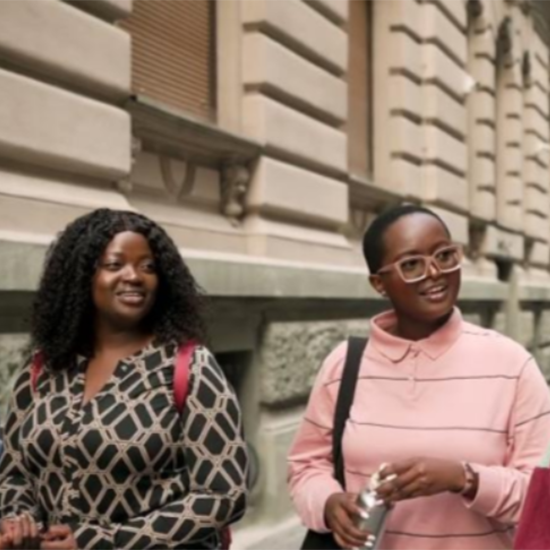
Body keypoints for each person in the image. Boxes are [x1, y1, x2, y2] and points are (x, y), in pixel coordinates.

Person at [288, 204, 550, 550]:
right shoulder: (345, 364)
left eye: (444, 255)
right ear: (379, 283)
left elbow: (541, 499)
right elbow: (306, 467)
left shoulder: (512, 364)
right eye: (411, 264)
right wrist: (329, 503)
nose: (434, 272)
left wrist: (464, 477)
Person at [0, 209, 249, 550]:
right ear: (82, 277)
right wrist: (18, 518)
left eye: (148, 267)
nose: (134, 276)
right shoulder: (43, 368)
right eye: (115, 265)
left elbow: (224, 494)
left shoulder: (189, 368)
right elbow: (14, 473)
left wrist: (107, 541)